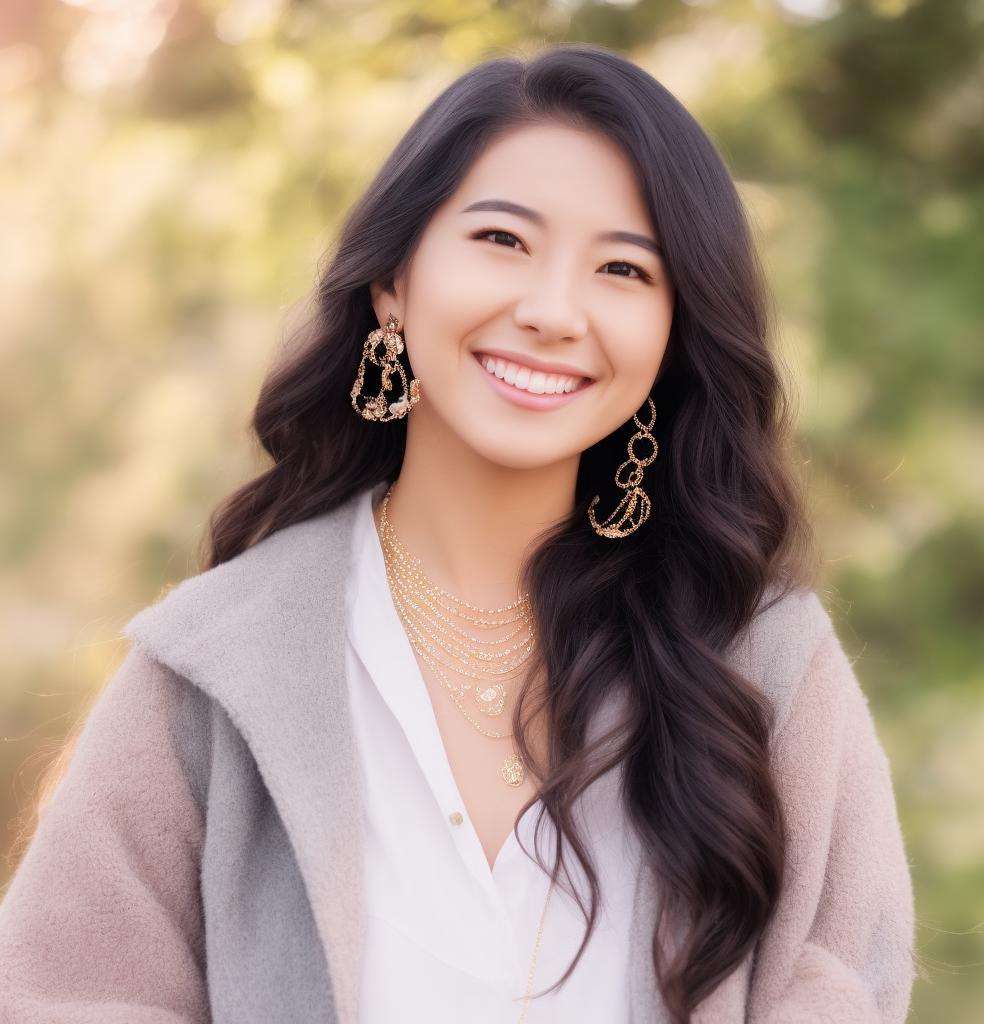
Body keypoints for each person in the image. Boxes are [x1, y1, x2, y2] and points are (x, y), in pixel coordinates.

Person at [0, 43, 918, 1023]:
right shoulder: (214, 668)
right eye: (502, 241)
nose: (553, 311)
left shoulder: (762, 663)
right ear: (393, 282)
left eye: (622, 268)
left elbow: (840, 983)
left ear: (671, 333)